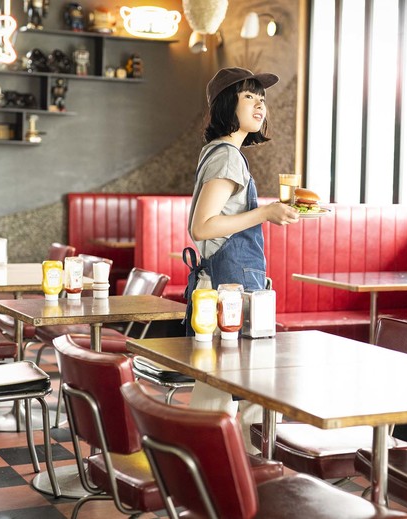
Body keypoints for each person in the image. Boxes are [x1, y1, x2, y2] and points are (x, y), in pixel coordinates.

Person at [183, 67, 299, 452]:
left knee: (221, 384)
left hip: (224, 285)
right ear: (225, 105)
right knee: (251, 385)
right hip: (232, 289)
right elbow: (203, 227)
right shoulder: (228, 157)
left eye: (261, 98)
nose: (259, 104)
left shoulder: (220, 153)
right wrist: (265, 212)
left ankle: (208, 466)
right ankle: (252, 469)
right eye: (249, 96)